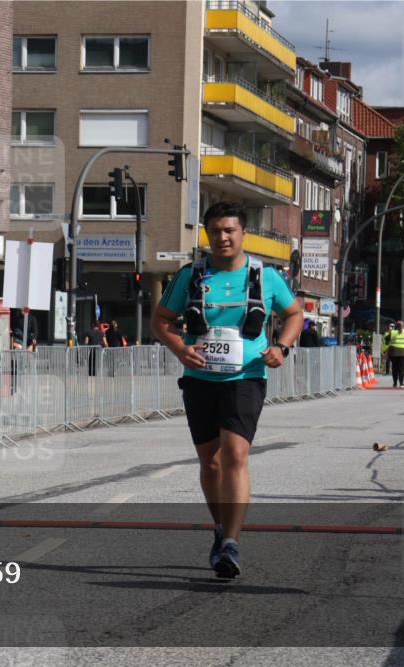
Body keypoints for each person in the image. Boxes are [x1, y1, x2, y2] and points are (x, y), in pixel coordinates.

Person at [151, 201, 303, 579]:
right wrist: (180, 349)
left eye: (230, 230)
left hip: (246, 377)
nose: (223, 237)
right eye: (216, 231)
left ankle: (231, 543)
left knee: (235, 455)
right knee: (211, 463)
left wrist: (282, 347)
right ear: (207, 234)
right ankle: (221, 530)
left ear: (243, 233)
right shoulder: (191, 275)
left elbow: (294, 314)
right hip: (200, 379)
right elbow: (161, 320)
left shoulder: (265, 276)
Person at [384, 319, 404, 387]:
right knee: (402, 368)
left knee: (395, 368)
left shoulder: (392, 333)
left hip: (394, 352)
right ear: (403, 326)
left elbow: (386, 341)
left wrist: (385, 350)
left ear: (396, 326)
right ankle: (401, 383)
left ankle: (395, 383)